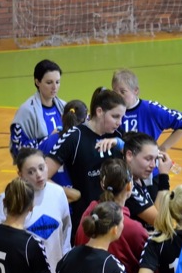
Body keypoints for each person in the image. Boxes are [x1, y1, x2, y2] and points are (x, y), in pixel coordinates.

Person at [46, 87, 126, 236]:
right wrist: (70, 193)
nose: (119, 122)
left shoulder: (117, 136)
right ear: (99, 111)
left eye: (121, 117)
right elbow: (43, 176)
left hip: (115, 221)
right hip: (85, 222)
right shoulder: (75, 137)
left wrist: (122, 145)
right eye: (115, 116)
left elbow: (139, 159)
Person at [112, 68, 182, 153]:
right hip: (119, 161)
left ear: (136, 91)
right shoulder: (110, 110)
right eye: (115, 92)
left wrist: (163, 149)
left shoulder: (151, 109)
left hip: (145, 160)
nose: (118, 96)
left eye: (123, 92)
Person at [10, 59, 66, 161]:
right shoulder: (26, 112)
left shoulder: (64, 106)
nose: (54, 87)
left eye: (57, 82)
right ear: (37, 82)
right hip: (38, 168)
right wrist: (49, 139)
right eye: (49, 82)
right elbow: (18, 150)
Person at [38, 99, 87, 203]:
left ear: (61, 117)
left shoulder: (47, 141)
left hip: (52, 200)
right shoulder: (84, 141)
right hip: (79, 202)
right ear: (85, 120)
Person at [123, 132, 174, 229]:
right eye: (148, 159)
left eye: (155, 159)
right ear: (129, 155)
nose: (153, 165)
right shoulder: (127, 184)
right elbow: (160, 221)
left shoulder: (137, 177)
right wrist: (164, 176)